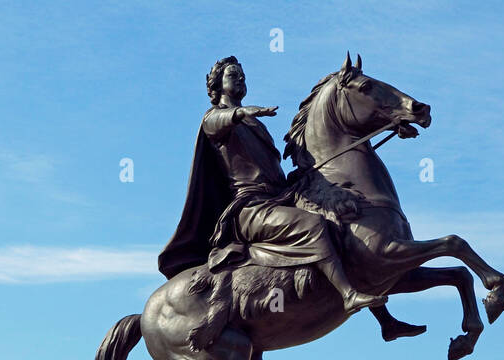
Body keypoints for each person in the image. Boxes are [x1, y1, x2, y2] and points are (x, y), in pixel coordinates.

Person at [159, 56, 405, 335]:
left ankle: (386, 321)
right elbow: (216, 121)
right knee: (311, 225)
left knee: (345, 228)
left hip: (277, 198)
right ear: (217, 86)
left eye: (242, 75)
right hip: (249, 209)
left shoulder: (256, 126)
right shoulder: (216, 119)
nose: (240, 79)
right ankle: (348, 295)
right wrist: (241, 113)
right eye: (232, 76)